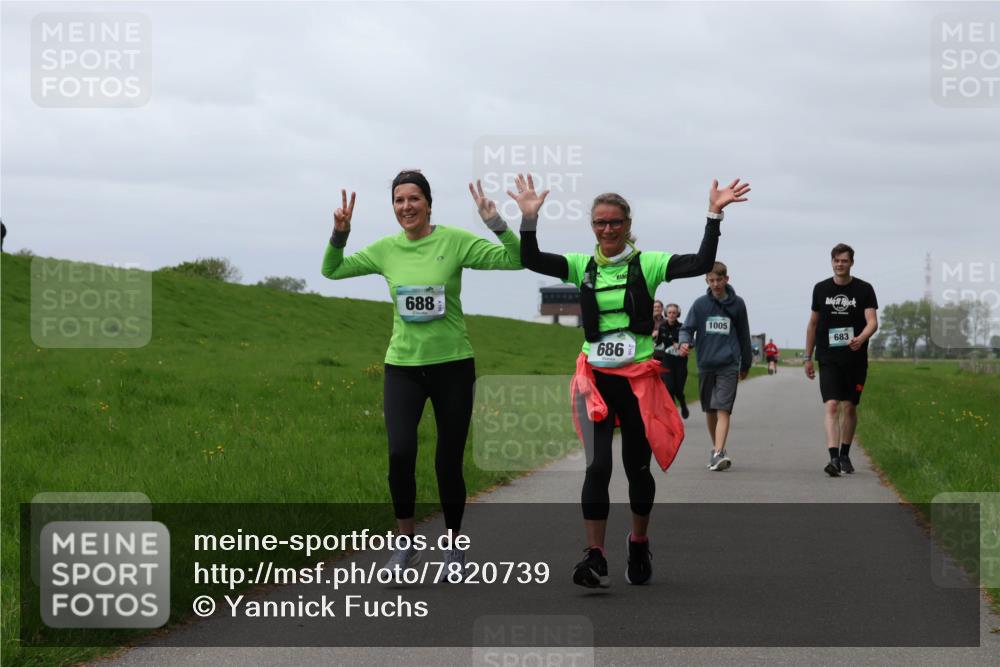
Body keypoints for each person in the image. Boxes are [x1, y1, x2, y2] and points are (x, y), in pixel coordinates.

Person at [519, 173, 750, 588]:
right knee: (597, 467)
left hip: (638, 383)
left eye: (615, 222)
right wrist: (529, 219)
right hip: (594, 381)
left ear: (628, 224)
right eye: (600, 223)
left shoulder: (648, 264)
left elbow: (699, 263)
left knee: (637, 469)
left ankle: (639, 542)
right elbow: (532, 259)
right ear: (592, 226)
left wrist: (714, 214)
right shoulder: (582, 266)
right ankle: (594, 556)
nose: (607, 230)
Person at [321, 170, 522, 576]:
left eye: (414, 198)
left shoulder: (455, 241)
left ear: (429, 204)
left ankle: (454, 548)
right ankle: (406, 545)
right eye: (399, 200)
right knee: (399, 454)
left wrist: (496, 223)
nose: (406, 206)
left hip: (453, 366)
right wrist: (340, 234)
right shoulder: (385, 250)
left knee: (447, 461)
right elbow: (332, 270)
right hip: (403, 368)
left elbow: (515, 259)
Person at [804, 243, 878, 476]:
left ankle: (845, 454)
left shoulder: (864, 289)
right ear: (832, 262)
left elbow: (872, 322)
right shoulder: (821, 289)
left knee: (849, 407)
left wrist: (861, 338)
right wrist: (807, 357)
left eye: (844, 260)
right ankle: (834, 459)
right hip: (828, 357)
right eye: (836, 260)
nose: (840, 264)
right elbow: (813, 324)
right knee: (832, 405)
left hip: (855, 359)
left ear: (851, 263)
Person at [678, 262, 753, 472]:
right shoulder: (700, 305)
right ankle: (716, 449)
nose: (716, 284)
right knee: (710, 410)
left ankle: (719, 452)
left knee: (723, 409)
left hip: (729, 364)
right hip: (706, 364)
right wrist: (684, 342)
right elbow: (686, 328)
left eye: (719, 280)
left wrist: (746, 364)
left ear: (726, 279)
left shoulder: (738, 304)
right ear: (706, 281)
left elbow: (744, 335)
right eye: (711, 280)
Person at [654, 302, 691, 419]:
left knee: (678, 390)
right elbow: (658, 343)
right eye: (669, 312)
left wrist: (681, 345)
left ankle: (683, 404)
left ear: (677, 314)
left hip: (680, 361)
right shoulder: (662, 327)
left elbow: (691, 343)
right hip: (667, 360)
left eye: (674, 313)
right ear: (666, 313)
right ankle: (673, 414)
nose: (671, 315)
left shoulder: (682, 327)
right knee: (669, 388)